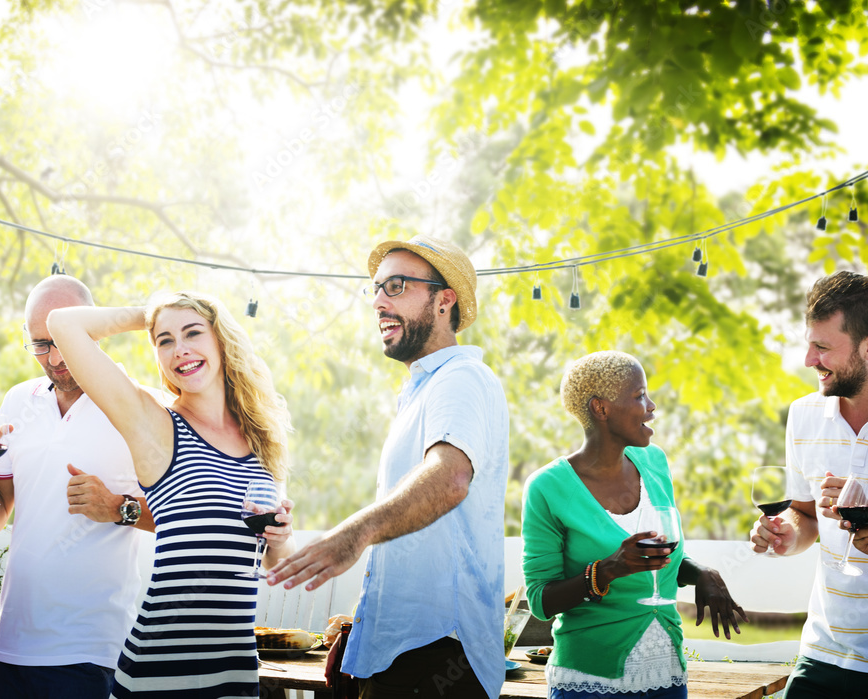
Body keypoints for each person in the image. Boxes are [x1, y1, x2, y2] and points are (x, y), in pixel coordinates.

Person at [267, 235, 510, 699]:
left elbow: (449, 478)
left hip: (439, 658)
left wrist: (352, 534)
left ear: (445, 300)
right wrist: (362, 631)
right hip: (403, 652)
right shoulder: (421, 390)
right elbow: (412, 546)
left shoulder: (462, 377)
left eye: (396, 285)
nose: (378, 301)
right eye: (376, 288)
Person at [46, 291, 295, 698]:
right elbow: (63, 325)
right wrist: (150, 313)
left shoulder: (263, 440)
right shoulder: (154, 423)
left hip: (234, 672)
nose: (180, 349)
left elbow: (273, 564)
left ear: (221, 340)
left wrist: (282, 538)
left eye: (193, 333)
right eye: (164, 340)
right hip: (158, 672)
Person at [0, 276, 154, 699]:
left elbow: (183, 516)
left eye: (64, 338)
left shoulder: (140, 406)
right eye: (40, 343)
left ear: (94, 330)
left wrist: (117, 507)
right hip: (11, 646)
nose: (55, 356)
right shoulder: (17, 401)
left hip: (90, 649)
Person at [523, 351, 747, 699]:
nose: (652, 405)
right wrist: (608, 570)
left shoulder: (654, 462)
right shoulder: (547, 487)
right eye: (639, 395)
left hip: (666, 672)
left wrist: (701, 571)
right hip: (589, 681)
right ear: (601, 408)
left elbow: (657, 556)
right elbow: (540, 600)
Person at [750, 270, 868, 698]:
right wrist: (786, 533)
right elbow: (805, 514)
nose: (808, 360)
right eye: (809, 344)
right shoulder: (803, 415)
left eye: (822, 347)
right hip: (823, 652)